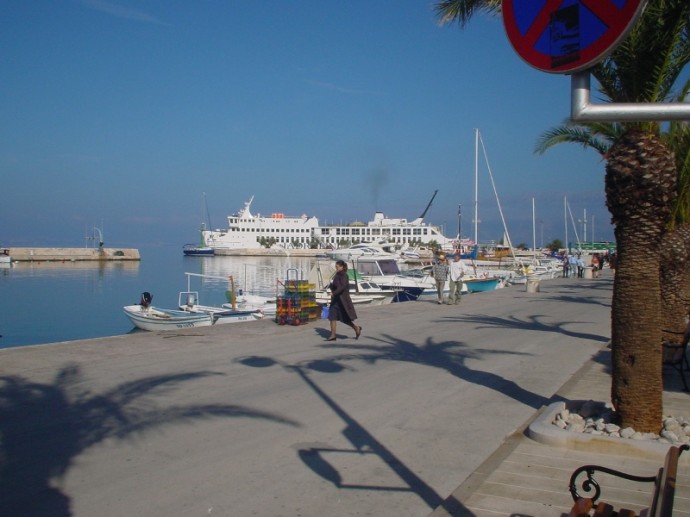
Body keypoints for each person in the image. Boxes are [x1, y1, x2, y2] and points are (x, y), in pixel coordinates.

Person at [326, 260, 361, 341]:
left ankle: (356, 328)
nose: (336, 268)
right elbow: (335, 285)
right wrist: (331, 289)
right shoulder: (337, 274)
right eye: (336, 267)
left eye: (337, 267)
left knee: (344, 318)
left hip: (342, 300)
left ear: (342, 267)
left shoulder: (344, 275)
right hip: (335, 299)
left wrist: (333, 293)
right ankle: (333, 335)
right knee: (332, 317)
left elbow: (342, 287)